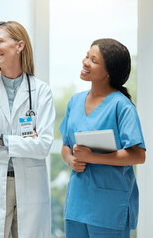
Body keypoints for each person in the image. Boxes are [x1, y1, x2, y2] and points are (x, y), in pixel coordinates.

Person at [0, 21, 55, 238]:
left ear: (19, 45)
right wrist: (24, 144)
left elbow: (43, 146)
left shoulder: (41, 91)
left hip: (30, 184)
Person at [59, 38, 146, 238]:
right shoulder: (75, 101)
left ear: (108, 71)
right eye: (86, 56)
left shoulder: (121, 106)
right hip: (77, 204)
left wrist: (92, 157)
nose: (85, 62)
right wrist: (71, 160)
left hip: (109, 207)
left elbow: (138, 155)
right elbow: (66, 144)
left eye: (93, 60)